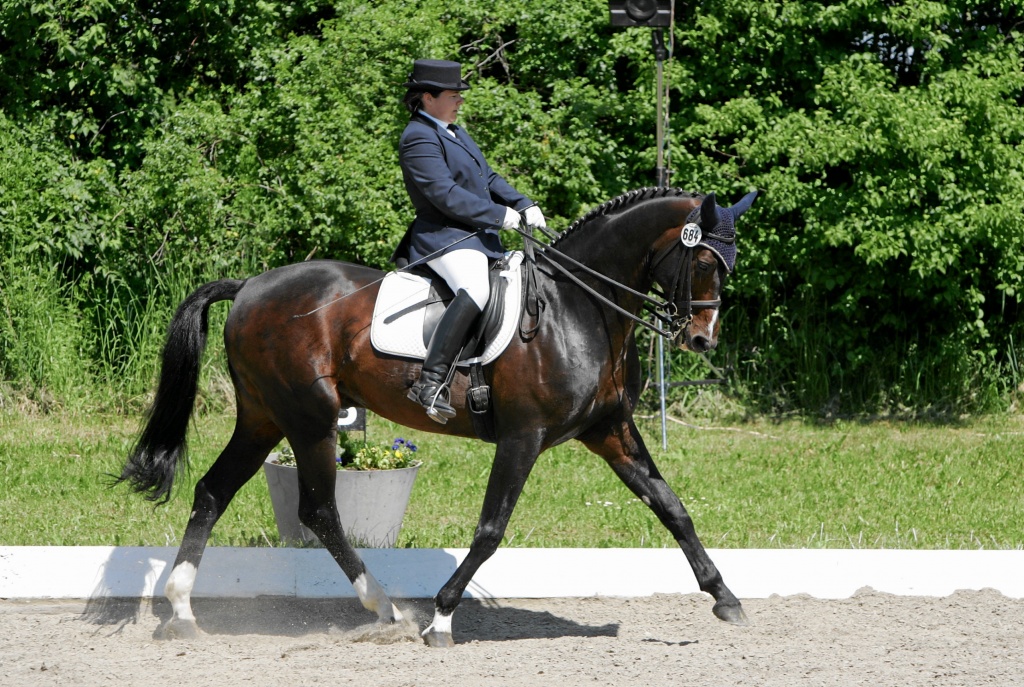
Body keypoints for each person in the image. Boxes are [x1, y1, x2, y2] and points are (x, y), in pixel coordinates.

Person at [393, 58, 546, 424]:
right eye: (453, 95)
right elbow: (444, 194)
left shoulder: (453, 131)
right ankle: (429, 383)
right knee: (476, 289)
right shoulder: (417, 137)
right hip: (443, 237)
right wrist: (498, 215)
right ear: (427, 97)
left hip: (477, 236)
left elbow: (488, 177)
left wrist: (524, 203)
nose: (460, 101)